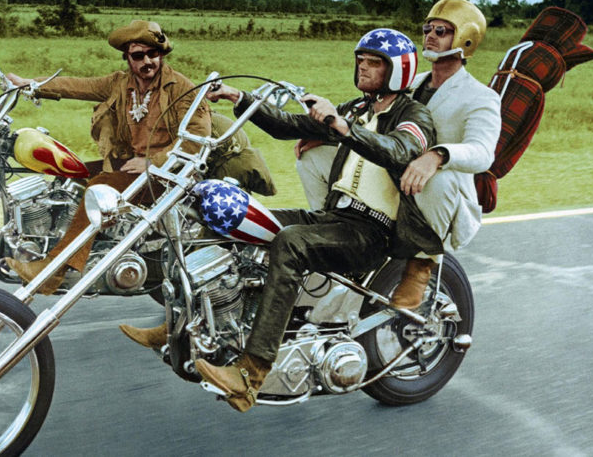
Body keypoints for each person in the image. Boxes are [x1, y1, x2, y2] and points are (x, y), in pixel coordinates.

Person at [122, 28, 441, 412]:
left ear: (398, 71)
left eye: (374, 63)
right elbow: (287, 125)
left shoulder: (412, 115)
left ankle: (250, 374)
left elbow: (400, 150)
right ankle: (182, 326)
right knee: (231, 221)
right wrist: (240, 98)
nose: (363, 67)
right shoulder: (358, 110)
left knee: (290, 242)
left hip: (373, 232)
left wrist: (340, 126)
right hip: (335, 215)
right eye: (361, 60)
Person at [0, 20, 275, 294]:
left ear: (161, 55)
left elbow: (197, 140)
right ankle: (27, 246)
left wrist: (153, 162)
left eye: (153, 54)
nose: (147, 61)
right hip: (134, 166)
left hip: (171, 175)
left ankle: (54, 271)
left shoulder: (182, 89)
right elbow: (78, 86)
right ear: (127, 57)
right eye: (138, 55)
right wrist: (30, 84)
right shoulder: (120, 84)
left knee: (99, 187)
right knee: (68, 174)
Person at [392, 0, 501, 308]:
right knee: (315, 157)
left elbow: (483, 152)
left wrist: (437, 156)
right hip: (397, 182)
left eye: (441, 31)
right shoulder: (409, 85)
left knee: (438, 178)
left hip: (444, 196)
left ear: (466, 38)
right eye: (427, 29)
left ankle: (421, 265)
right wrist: (328, 133)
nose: (430, 35)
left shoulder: (481, 96)